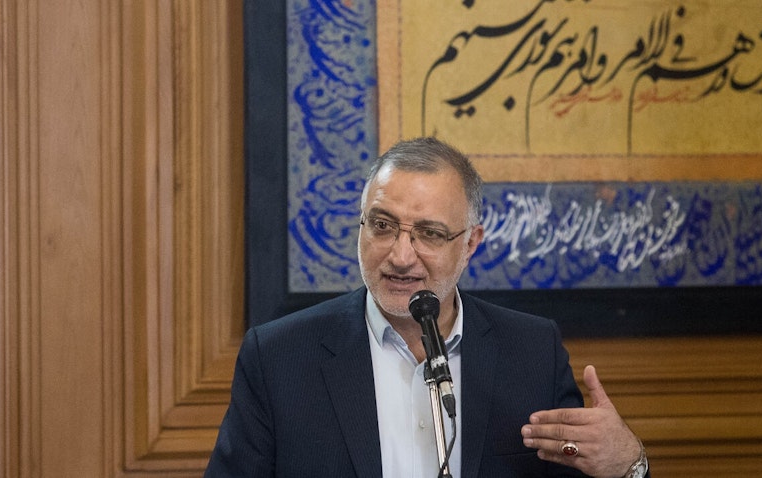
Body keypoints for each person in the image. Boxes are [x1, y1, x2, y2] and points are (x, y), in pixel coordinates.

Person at [205, 137, 649, 477]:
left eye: (430, 234)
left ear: (471, 243)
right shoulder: (279, 357)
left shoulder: (532, 351)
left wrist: (629, 463)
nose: (400, 256)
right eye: (382, 226)